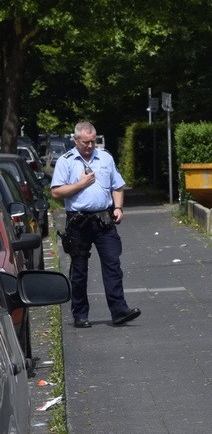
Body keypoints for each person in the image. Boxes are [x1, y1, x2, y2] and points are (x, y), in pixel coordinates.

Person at [50, 122, 141, 328]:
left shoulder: (105, 158)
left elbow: (117, 186)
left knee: (113, 265)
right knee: (80, 270)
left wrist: (118, 207)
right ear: (76, 141)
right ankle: (80, 314)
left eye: (92, 141)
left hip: (104, 220)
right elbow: (56, 192)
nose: (90, 146)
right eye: (85, 142)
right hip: (78, 221)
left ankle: (119, 311)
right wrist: (80, 184)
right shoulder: (66, 161)